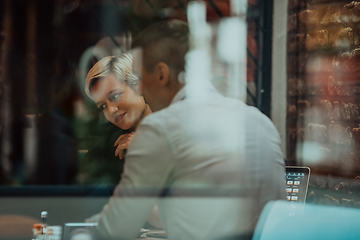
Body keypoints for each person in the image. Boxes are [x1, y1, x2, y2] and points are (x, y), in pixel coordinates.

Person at [94, 20, 285, 240]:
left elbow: (115, 230)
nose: (140, 90)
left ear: (161, 74)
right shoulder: (261, 121)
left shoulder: (160, 128)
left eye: (139, 79)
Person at [79, 54, 152, 184]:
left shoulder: (175, 126)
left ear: (139, 86)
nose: (111, 110)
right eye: (103, 106)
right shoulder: (110, 141)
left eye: (115, 96)